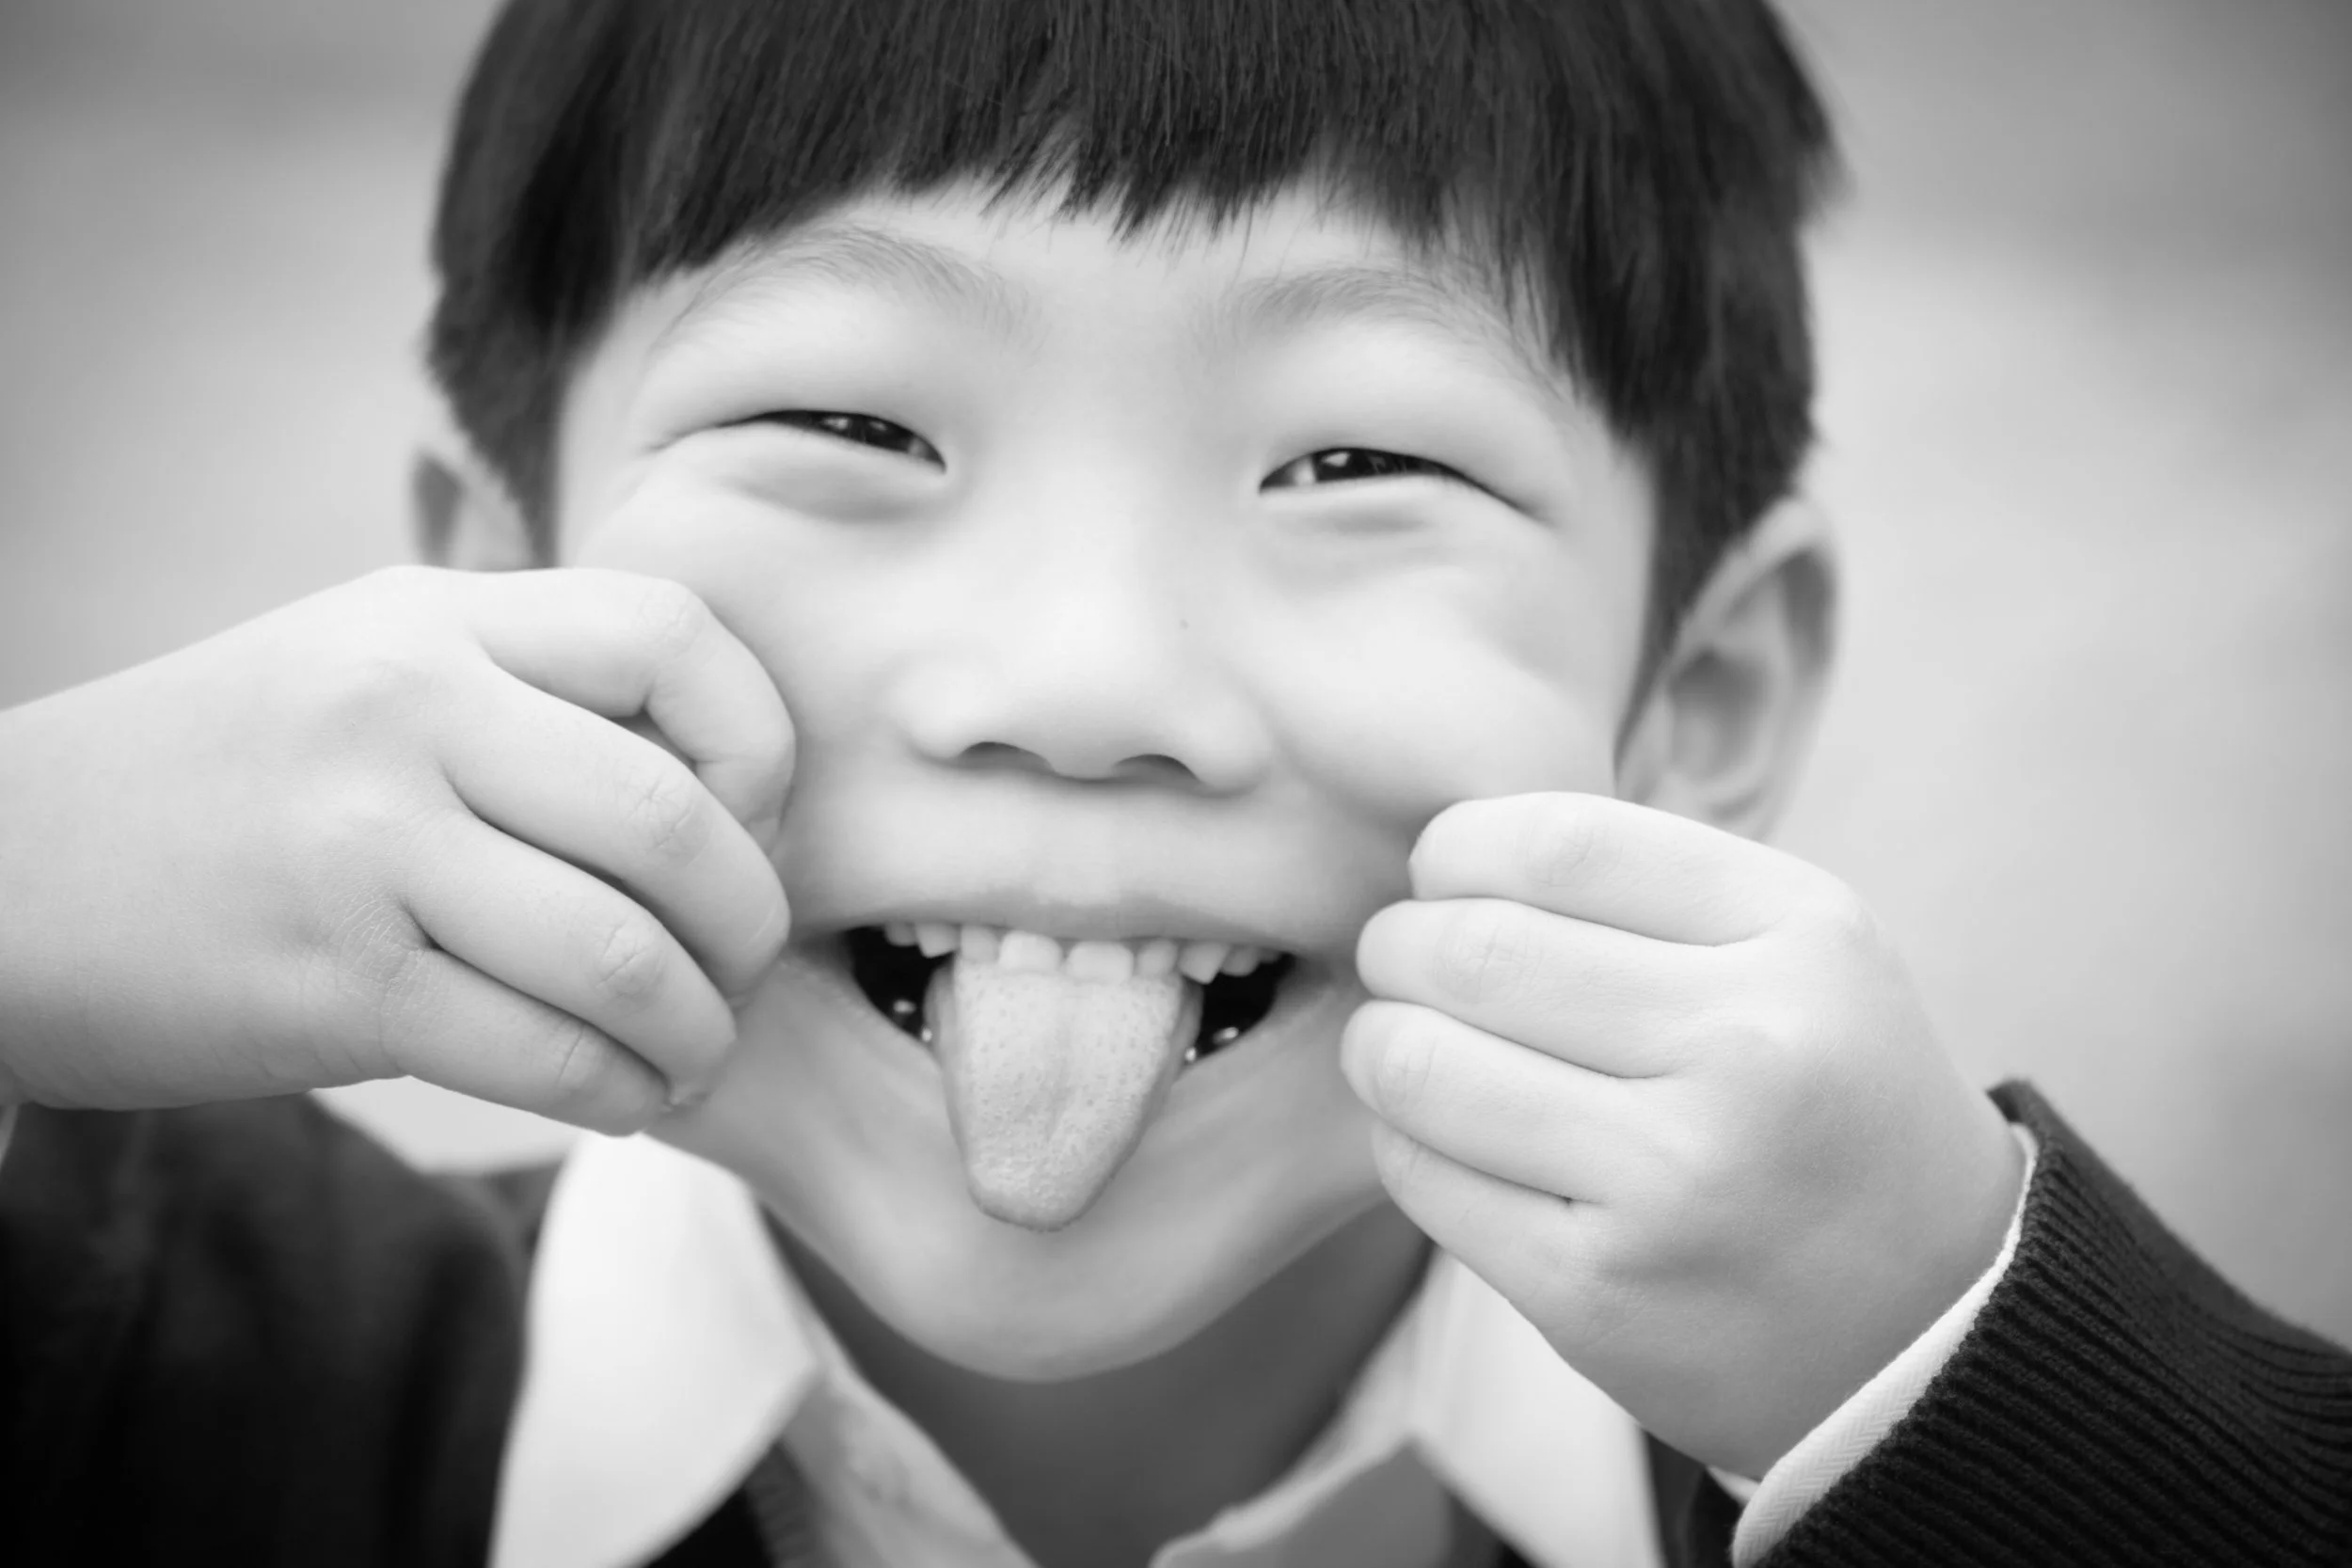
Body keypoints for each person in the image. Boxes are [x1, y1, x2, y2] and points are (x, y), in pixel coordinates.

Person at [1, 0, 2345, 1563]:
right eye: (844, 422)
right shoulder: (142, 1361)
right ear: (490, 587)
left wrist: (1951, 1361)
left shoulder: (1882, 1429)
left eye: (1355, 461)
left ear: (1698, 688)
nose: (1085, 681)